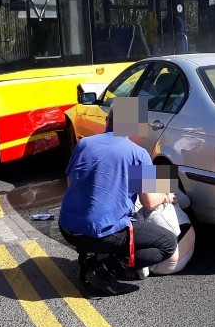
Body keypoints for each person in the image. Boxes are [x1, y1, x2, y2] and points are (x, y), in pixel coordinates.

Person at [59, 98, 178, 296]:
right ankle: (104, 269)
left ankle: (89, 256)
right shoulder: (138, 153)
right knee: (167, 243)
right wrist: (166, 195)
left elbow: (71, 183)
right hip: (100, 231)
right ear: (137, 127)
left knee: (116, 214)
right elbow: (149, 201)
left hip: (68, 228)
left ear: (108, 119)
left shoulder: (84, 144)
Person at [133, 189, 195, 276]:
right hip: (181, 251)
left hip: (164, 258)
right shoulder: (157, 177)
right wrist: (167, 196)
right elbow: (185, 201)